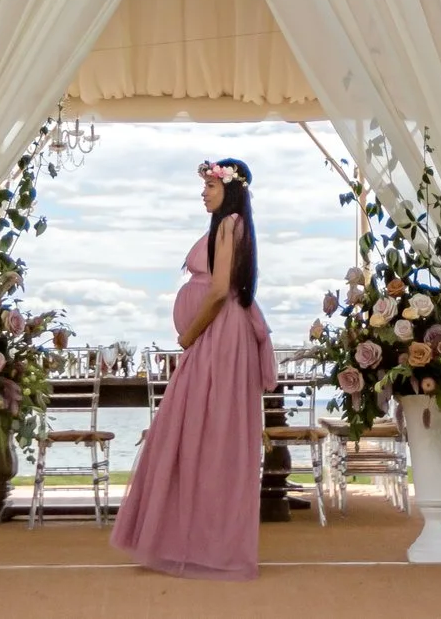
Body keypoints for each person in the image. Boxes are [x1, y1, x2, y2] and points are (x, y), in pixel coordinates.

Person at [110, 158, 279, 579]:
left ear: (229, 188)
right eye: (203, 186)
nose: (204, 192)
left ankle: (205, 544)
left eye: (210, 186)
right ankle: (190, 538)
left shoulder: (230, 224)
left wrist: (189, 337)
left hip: (216, 339)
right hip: (216, 337)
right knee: (200, 436)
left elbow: (220, 288)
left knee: (205, 435)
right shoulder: (228, 226)